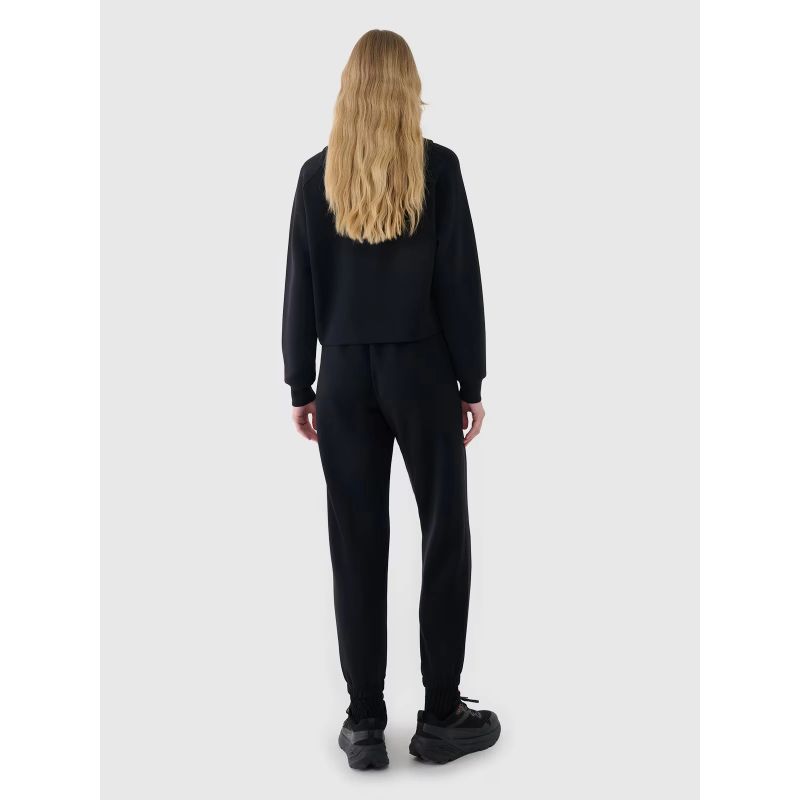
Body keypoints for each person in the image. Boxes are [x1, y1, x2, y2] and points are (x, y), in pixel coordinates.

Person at [281, 29, 500, 768]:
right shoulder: (438, 169)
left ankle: (366, 721)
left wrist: (301, 382)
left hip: (343, 375)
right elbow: (459, 281)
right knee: (444, 532)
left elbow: (300, 281)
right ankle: (440, 716)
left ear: (348, 89)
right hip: (422, 370)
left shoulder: (317, 175)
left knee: (355, 541)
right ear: (409, 90)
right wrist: (470, 381)